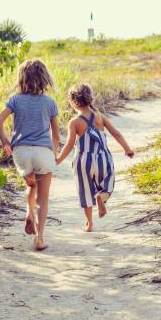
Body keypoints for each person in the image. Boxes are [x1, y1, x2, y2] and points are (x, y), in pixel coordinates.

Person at [0, 59, 59, 250]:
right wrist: (53, 154)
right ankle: (39, 239)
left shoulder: (15, 100)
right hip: (43, 152)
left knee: (31, 185)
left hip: (21, 153)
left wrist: (5, 141)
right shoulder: (50, 102)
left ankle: (29, 213)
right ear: (45, 78)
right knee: (43, 197)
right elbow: (55, 135)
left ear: (22, 78)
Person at [56, 84, 134, 232]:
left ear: (72, 102)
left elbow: (69, 144)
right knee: (108, 182)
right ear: (90, 98)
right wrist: (127, 148)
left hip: (82, 160)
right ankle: (101, 197)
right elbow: (116, 133)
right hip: (102, 158)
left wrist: (58, 159)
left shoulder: (74, 122)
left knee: (85, 191)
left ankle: (89, 224)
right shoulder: (99, 116)